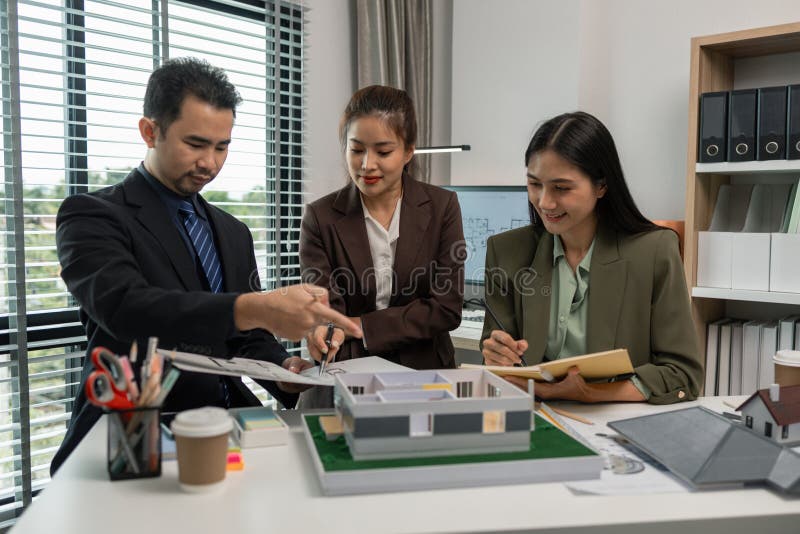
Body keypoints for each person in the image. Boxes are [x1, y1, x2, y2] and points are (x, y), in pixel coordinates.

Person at [51, 58, 360, 473]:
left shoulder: (233, 232)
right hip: (136, 434)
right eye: (195, 144)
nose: (210, 163)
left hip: (231, 430)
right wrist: (255, 307)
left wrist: (284, 369)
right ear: (150, 131)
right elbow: (126, 307)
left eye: (221, 146)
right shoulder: (91, 215)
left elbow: (246, 338)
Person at [481, 111, 702, 404]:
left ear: (601, 185)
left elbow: (682, 375)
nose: (544, 202)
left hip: (613, 418)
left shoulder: (654, 251)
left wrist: (589, 394)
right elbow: (499, 363)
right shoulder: (506, 251)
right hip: (532, 412)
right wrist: (496, 355)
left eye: (561, 188)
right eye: (534, 184)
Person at [300, 85, 465, 379]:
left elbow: (446, 309)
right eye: (356, 150)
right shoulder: (320, 217)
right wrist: (324, 330)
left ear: (408, 151)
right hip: (348, 371)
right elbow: (328, 314)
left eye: (383, 151)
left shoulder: (443, 206)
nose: (367, 165)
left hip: (426, 371)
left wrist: (360, 326)